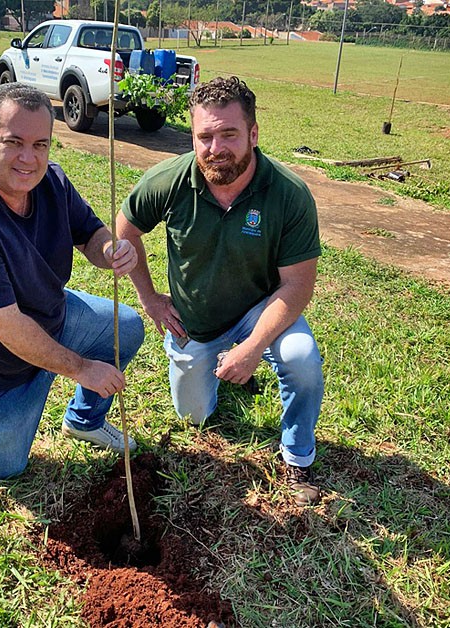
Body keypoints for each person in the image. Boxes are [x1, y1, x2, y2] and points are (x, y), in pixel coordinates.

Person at [0, 82, 145, 480]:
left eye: (40, 145)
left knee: (126, 327)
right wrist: (82, 367)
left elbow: (89, 233)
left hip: (44, 318)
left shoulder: (50, 181)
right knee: (2, 467)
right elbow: (8, 328)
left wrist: (110, 250)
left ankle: (84, 421)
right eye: (14, 142)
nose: (28, 159)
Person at [117, 76, 325, 506]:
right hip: (196, 320)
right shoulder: (169, 181)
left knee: (303, 361)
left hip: (259, 307)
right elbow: (125, 232)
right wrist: (150, 298)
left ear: (252, 133)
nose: (216, 148)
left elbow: (297, 285)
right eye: (204, 136)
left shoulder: (289, 194)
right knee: (194, 417)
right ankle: (222, 371)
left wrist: (252, 347)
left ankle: (297, 454)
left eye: (228, 134)